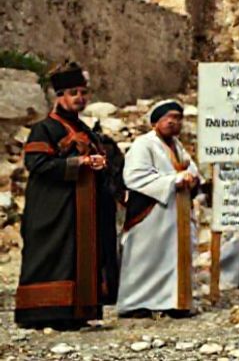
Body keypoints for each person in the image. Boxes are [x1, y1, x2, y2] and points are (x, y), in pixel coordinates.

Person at [16, 62, 121, 329]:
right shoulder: (44, 129)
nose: (80, 98)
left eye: (84, 92)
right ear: (59, 96)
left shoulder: (85, 129)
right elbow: (37, 164)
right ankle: (45, 313)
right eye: (74, 92)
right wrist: (80, 164)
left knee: (79, 257)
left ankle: (78, 311)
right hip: (53, 209)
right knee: (54, 257)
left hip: (81, 210)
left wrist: (99, 165)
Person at [117, 100, 200, 318]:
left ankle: (173, 302)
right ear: (156, 122)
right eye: (168, 118)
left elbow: (191, 169)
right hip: (150, 212)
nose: (173, 122)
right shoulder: (143, 144)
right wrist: (173, 181)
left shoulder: (178, 146)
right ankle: (136, 303)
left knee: (172, 257)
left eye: (178, 118)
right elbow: (134, 176)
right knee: (145, 258)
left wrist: (192, 180)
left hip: (175, 213)